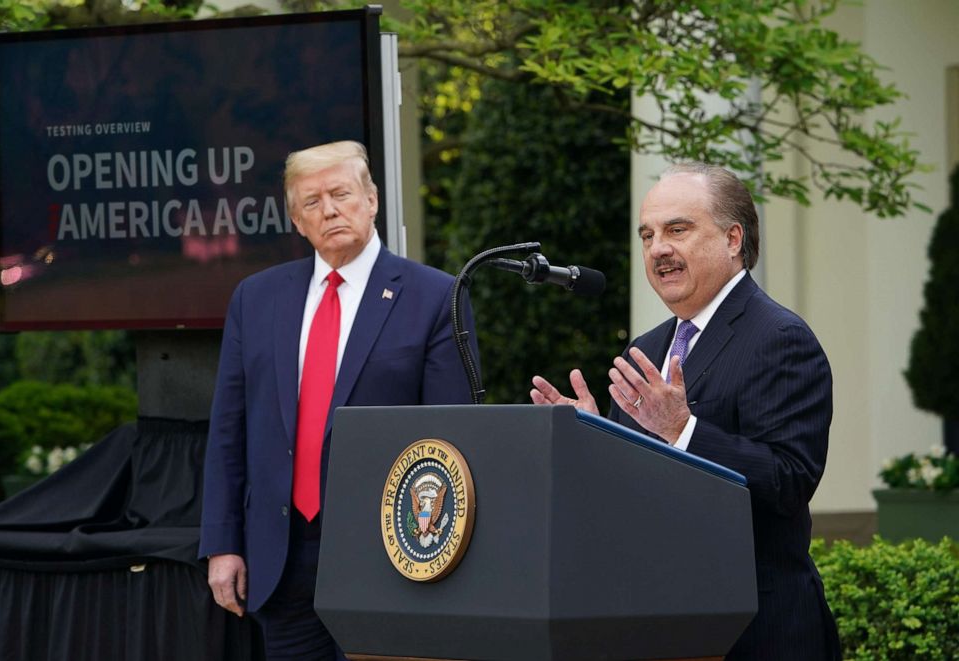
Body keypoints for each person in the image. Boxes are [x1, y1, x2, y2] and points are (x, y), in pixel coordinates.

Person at [530, 162, 840, 660]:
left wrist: (683, 428)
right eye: (648, 235)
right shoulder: (647, 350)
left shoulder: (780, 338)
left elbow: (788, 480)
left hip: (757, 631)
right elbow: (628, 499)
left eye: (678, 229)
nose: (658, 249)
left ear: (733, 239)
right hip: (658, 622)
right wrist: (591, 441)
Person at [199, 140, 478, 660]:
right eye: (311, 202)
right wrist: (223, 543)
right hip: (280, 560)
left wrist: (441, 552)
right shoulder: (256, 299)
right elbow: (228, 431)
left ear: (372, 199)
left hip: (392, 559)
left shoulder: (435, 297)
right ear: (297, 221)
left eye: (341, 194)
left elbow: (453, 442)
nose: (329, 210)